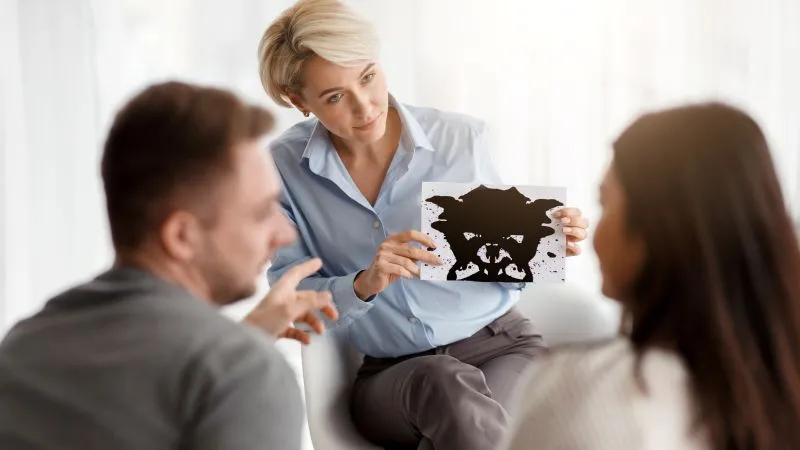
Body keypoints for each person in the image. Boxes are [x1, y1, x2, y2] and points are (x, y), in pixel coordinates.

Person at [258, 1, 590, 448]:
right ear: (299, 102)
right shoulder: (282, 169)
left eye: (368, 76)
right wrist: (363, 283)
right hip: (393, 376)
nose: (365, 106)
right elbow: (288, 296)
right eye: (335, 97)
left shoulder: (461, 138)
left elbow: (511, 262)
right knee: (444, 386)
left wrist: (548, 241)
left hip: (501, 345)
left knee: (464, 422)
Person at [0, 81, 338, 450]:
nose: (284, 234)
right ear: (181, 237)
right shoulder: (244, 375)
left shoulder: (25, 346)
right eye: (260, 214)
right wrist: (239, 355)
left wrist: (242, 341)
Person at [502, 103, 800, 450]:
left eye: (605, 204)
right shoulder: (779, 390)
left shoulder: (580, 394)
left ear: (657, 227)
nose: (593, 232)